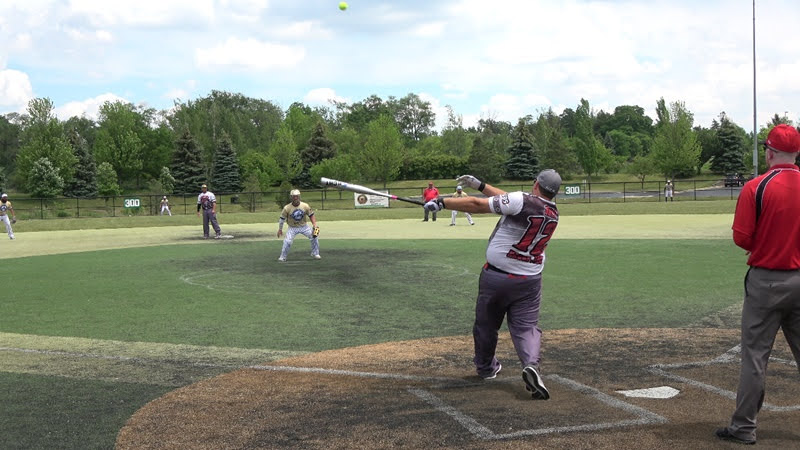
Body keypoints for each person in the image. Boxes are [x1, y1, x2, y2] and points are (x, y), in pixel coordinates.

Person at [424, 169, 561, 400]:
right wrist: (481, 185)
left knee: (486, 325)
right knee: (526, 328)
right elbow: (511, 200)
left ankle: (486, 368)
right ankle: (531, 365)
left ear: (536, 183)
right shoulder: (553, 212)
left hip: (497, 277)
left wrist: (442, 202)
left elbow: (478, 205)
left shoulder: (521, 200)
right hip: (530, 280)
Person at [716, 124, 800, 445]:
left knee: (755, 357)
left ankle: (743, 428)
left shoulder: (756, 187)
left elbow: (742, 238)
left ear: (769, 152)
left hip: (766, 281)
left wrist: (765, 243)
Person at [277, 189, 320, 262]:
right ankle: (283, 257)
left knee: (314, 236)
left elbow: (311, 215)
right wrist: (280, 229)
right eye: (294, 196)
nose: (295, 198)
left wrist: (314, 225)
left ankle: (315, 253)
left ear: (299, 196)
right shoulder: (287, 208)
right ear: (291, 197)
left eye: (297, 196)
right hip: (292, 227)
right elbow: (282, 219)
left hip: (304, 226)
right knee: (287, 241)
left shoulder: (305, 206)